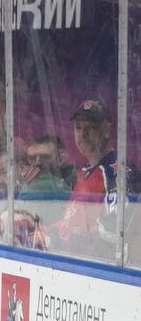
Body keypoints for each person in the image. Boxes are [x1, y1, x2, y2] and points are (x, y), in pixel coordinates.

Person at [54, 98, 134, 259]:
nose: (82, 135)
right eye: (78, 127)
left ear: (106, 130)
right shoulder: (83, 174)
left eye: (90, 128)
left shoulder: (115, 172)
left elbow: (113, 233)